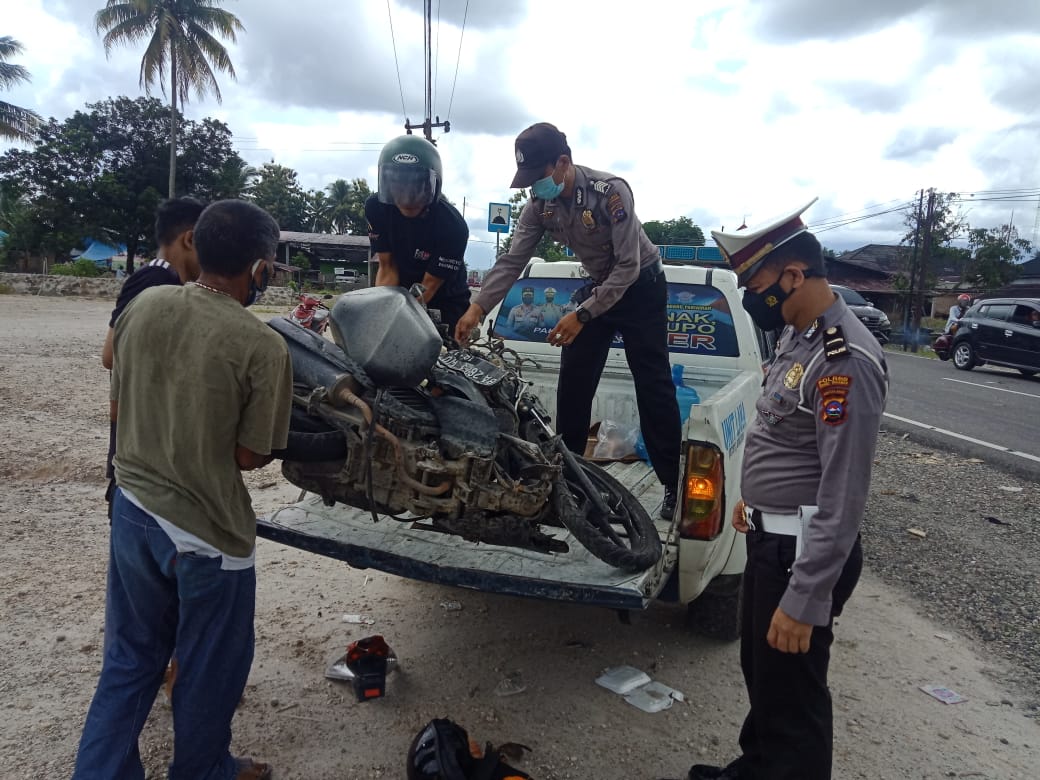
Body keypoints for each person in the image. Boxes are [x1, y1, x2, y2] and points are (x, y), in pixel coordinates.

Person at [73, 199, 293, 780]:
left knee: (129, 662)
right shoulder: (262, 345)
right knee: (208, 668)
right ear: (259, 269)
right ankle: (203, 770)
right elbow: (249, 456)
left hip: (132, 509)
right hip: (207, 535)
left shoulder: (142, 307)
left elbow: (119, 405)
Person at [678, 201, 888, 780]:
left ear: (794, 275)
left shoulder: (844, 360)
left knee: (793, 697)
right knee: (763, 675)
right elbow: (786, 436)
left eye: (755, 283)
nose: (750, 296)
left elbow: (844, 495)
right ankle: (756, 768)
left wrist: (805, 599)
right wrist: (759, 501)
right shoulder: (797, 338)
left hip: (803, 556)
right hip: (772, 539)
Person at [454, 122, 681, 519]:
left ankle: (672, 484)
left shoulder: (611, 193)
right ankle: (572, 481)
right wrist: (478, 307)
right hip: (597, 288)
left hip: (641, 287)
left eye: (537, 177)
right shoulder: (540, 206)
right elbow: (512, 259)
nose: (533, 188)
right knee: (573, 380)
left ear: (563, 163)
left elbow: (627, 267)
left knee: (653, 384)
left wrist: (581, 313)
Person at [102, 197, 207, 516]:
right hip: (142, 459)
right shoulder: (156, 280)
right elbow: (110, 354)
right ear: (189, 239)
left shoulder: (167, 282)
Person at [365, 134, 471, 333]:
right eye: (399, 184)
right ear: (386, 182)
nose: (406, 197)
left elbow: (427, 288)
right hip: (401, 289)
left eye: (415, 185)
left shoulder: (453, 227)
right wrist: (381, 312)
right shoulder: (375, 208)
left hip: (444, 299)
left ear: (432, 184)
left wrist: (400, 320)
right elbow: (387, 268)